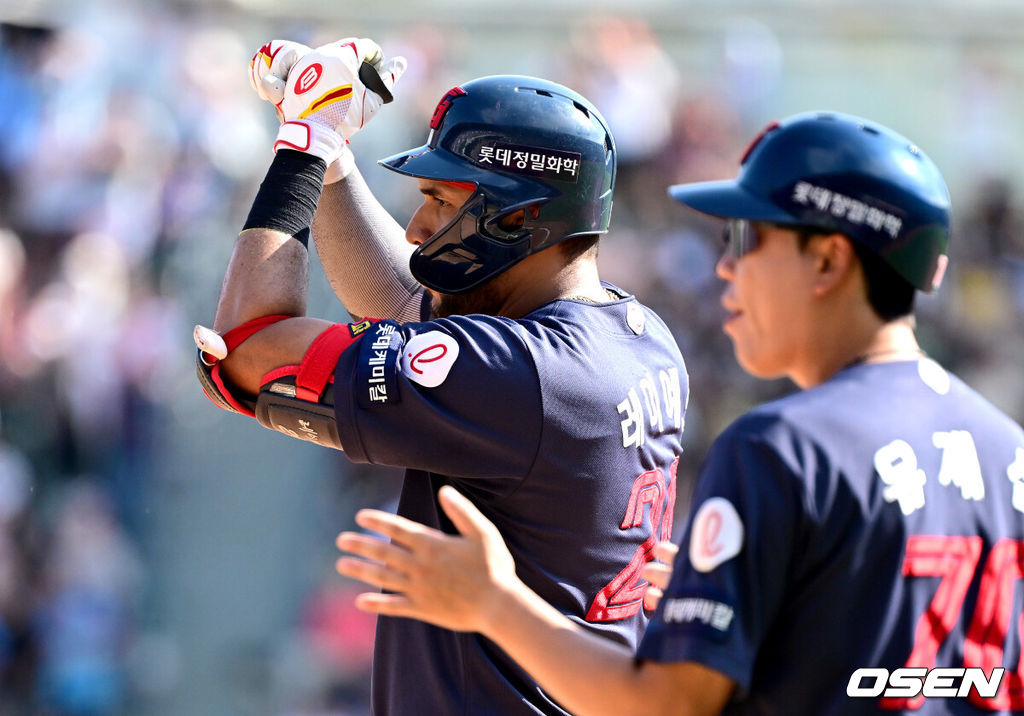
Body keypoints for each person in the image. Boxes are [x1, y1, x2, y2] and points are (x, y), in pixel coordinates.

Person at [336, 111, 1024, 714]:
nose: (727, 268)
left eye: (749, 240)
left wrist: (493, 604)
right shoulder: (1008, 451)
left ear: (828, 261)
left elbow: (666, 708)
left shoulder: (785, 448)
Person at [200, 38, 689, 714]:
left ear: (517, 217)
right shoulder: (639, 340)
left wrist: (301, 146)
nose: (420, 223)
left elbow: (246, 344)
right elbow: (405, 304)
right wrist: (333, 146)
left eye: (439, 199)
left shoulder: (523, 374)